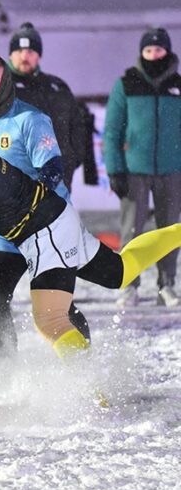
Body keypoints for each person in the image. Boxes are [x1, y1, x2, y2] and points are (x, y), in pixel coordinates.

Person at [0, 100, 181, 365]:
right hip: (52, 216)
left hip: (43, 231)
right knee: (119, 272)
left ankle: (92, 390)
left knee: (50, 320)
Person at [0, 55, 90, 360]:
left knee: (55, 309)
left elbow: (53, 169)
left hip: (45, 227)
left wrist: (24, 201)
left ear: (5, 82)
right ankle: (9, 375)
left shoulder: (30, 119)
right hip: (4, 231)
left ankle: (85, 367)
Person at [103, 27, 181, 308]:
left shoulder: (178, 86)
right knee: (132, 232)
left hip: (172, 171)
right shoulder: (127, 84)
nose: (153, 55)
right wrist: (115, 170)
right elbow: (112, 131)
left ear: (168, 52)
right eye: (148, 51)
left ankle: (167, 285)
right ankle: (129, 286)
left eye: (158, 50)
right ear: (142, 53)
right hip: (134, 171)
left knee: (169, 231)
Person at [7, 22, 97, 191]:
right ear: (11, 55)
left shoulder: (56, 86)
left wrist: (70, 159)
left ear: (39, 56)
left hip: (58, 177)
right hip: (17, 177)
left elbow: (76, 125)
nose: (24, 56)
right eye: (19, 51)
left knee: (58, 217)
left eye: (30, 51)